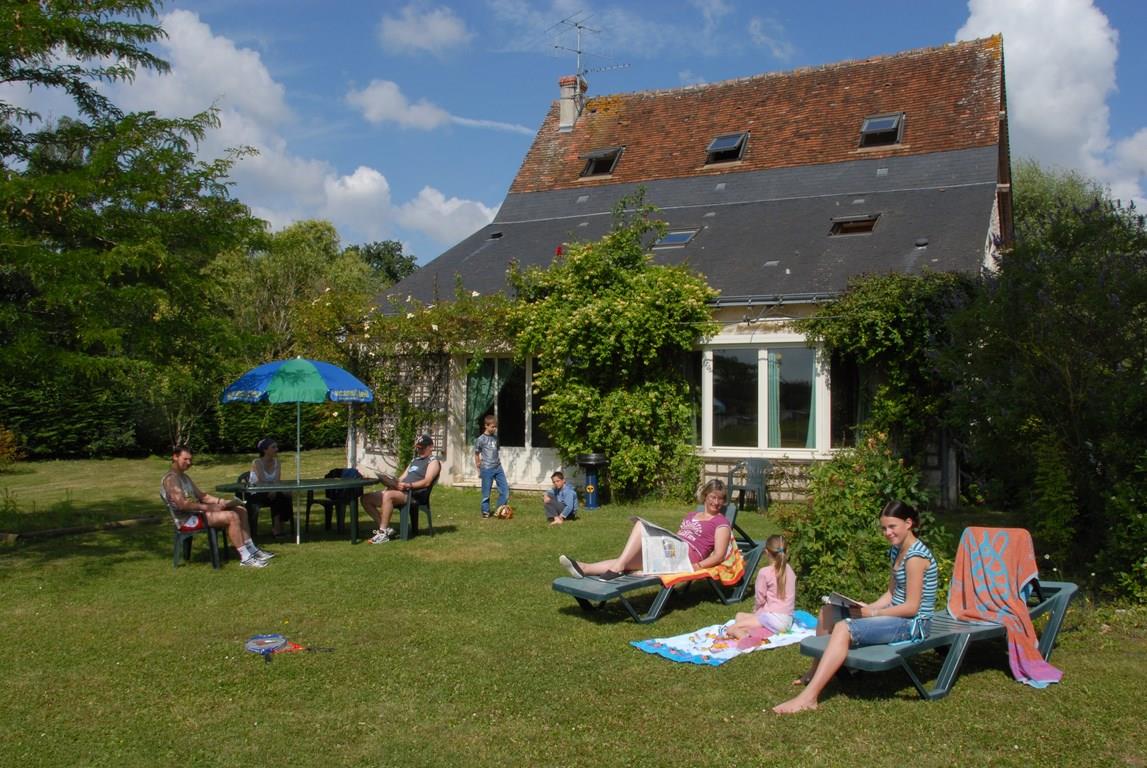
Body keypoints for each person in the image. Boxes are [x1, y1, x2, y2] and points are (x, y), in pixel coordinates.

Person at [772, 500, 938, 714]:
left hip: (913, 624)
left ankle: (809, 697)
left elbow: (912, 608)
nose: (887, 532)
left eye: (892, 527)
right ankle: (815, 671)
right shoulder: (897, 551)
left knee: (844, 627)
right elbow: (891, 593)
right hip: (895, 616)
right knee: (828, 612)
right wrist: (867, 608)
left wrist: (875, 614)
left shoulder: (916, 557)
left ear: (908, 523)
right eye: (884, 528)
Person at [559, 479, 732, 579]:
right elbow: (681, 535)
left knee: (641, 525)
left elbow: (719, 555)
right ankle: (584, 568)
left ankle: (617, 567)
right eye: (712, 497)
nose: (716, 503)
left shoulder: (721, 522)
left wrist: (697, 566)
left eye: (720, 499)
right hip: (673, 550)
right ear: (705, 497)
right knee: (628, 558)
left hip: (686, 556)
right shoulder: (691, 515)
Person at [161, 445, 274, 568]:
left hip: (198, 513)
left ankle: (252, 549)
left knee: (241, 510)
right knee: (232, 516)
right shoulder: (171, 479)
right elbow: (183, 505)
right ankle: (245, 557)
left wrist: (223, 502)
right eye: (185, 459)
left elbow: (203, 496)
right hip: (187, 520)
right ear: (175, 457)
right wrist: (209, 508)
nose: (189, 463)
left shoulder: (184, 476)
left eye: (190, 460)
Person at [362, 434, 441, 544]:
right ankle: (387, 529)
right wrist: (391, 483)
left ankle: (382, 533)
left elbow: (427, 482)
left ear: (431, 447)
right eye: (418, 448)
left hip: (413, 494)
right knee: (366, 499)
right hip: (401, 490)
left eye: (422, 448)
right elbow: (402, 478)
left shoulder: (433, 462)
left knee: (388, 496)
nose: (419, 450)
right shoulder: (415, 460)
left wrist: (409, 486)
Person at [725, 534, 796, 641]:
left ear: (766, 552)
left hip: (772, 618)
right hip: (787, 620)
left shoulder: (765, 572)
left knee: (731, 628)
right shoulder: (789, 570)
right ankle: (759, 631)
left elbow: (760, 599)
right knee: (739, 616)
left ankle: (747, 638)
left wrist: (756, 611)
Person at [247, 437, 293, 539]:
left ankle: (280, 527)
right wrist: (273, 489)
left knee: (286, 494)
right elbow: (261, 481)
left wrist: (275, 489)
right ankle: (277, 530)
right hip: (256, 493)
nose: (277, 449)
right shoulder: (257, 463)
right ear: (265, 450)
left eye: (276, 447)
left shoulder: (277, 462)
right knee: (278, 495)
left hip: (272, 491)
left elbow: (277, 480)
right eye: (273, 447)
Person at [474, 414, 509, 519]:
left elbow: (496, 451)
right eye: (492, 427)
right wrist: (479, 467)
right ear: (486, 426)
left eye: (495, 426)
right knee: (486, 493)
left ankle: (499, 510)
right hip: (487, 469)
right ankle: (485, 511)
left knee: (505, 491)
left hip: (498, 467)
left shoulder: (495, 438)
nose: (494, 429)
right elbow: (476, 454)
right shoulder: (480, 439)